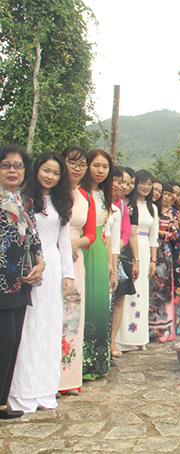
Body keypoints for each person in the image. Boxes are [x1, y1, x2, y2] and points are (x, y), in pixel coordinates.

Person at [9, 152, 74, 413]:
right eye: (46, 170)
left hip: (55, 267)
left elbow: (65, 241)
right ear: (37, 170)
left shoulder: (61, 201)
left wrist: (68, 274)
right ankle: (22, 392)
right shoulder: (24, 199)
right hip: (29, 268)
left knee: (49, 329)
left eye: (56, 173)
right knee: (27, 330)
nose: (50, 176)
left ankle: (46, 390)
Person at [0, 145, 45, 420]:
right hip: (1, 282)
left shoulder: (25, 201)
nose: (13, 170)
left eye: (17, 166)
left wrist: (41, 263)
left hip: (22, 282)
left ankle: (2, 402)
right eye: (6, 165)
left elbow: (35, 237)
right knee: (3, 340)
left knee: (13, 340)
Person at [58, 145, 95, 395]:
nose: (77, 168)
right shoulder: (51, 193)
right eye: (73, 162)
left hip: (76, 259)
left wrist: (76, 243)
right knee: (52, 316)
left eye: (82, 164)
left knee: (72, 317)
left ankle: (68, 379)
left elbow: (90, 232)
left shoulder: (86, 196)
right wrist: (61, 246)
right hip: (54, 259)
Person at [79, 149, 119, 379]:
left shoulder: (105, 197)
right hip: (83, 251)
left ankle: (96, 362)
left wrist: (112, 266)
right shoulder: (78, 193)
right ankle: (78, 364)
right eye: (96, 165)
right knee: (82, 306)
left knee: (99, 306)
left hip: (100, 253)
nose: (100, 170)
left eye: (105, 167)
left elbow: (108, 234)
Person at [116, 170, 158, 352]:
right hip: (130, 249)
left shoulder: (153, 208)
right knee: (128, 293)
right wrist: (136, 258)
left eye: (149, 184)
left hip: (145, 250)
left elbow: (154, 236)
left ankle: (139, 336)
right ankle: (122, 337)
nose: (146, 187)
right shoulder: (128, 205)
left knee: (142, 294)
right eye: (142, 183)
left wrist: (153, 260)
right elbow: (130, 232)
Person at [110, 167, 139, 358]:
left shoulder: (122, 205)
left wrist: (114, 248)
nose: (123, 186)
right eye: (119, 181)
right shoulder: (95, 200)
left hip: (118, 256)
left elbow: (127, 232)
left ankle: (111, 342)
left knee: (119, 298)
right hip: (99, 254)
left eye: (126, 183)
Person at [149, 182, 179, 342]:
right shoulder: (150, 208)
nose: (166, 197)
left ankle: (163, 331)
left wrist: (160, 233)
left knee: (163, 291)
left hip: (164, 254)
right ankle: (147, 330)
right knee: (149, 291)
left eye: (169, 194)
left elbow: (175, 235)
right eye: (163, 194)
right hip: (147, 250)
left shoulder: (171, 214)